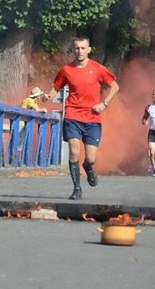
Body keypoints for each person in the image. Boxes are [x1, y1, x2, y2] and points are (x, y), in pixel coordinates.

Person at [41, 37, 119, 200]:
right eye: (77, 48)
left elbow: (115, 86)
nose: (80, 51)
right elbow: (56, 87)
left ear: (89, 49)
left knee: (91, 158)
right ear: (73, 50)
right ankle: (77, 189)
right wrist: (49, 96)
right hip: (72, 115)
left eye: (83, 48)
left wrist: (103, 104)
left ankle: (88, 167)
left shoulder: (98, 69)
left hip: (92, 118)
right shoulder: (66, 70)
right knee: (74, 151)